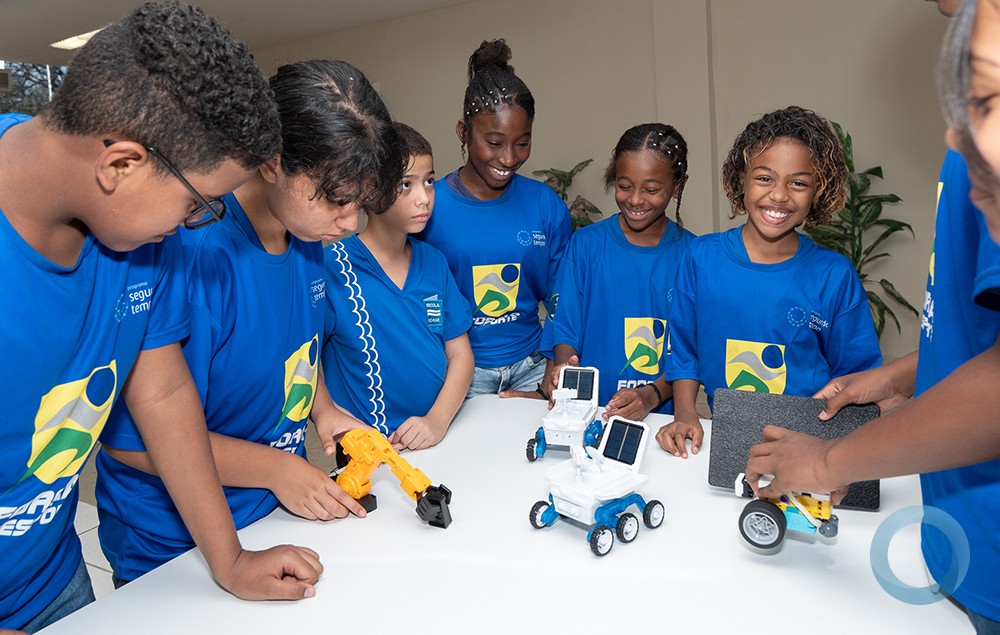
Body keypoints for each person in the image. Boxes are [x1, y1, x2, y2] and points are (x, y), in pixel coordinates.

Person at [0, 2, 325, 632]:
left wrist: (229, 559)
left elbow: (164, 391)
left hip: (50, 578)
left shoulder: (138, 241)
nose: (197, 224)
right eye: (198, 203)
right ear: (120, 165)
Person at [93, 59, 406, 585]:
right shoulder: (192, 252)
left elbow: (292, 344)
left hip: (269, 513)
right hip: (173, 544)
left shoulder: (308, 235)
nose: (350, 222)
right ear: (272, 163)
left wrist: (323, 410)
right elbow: (134, 439)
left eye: (360, 204)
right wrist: (277, 469)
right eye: (336, 200)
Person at [747, 1, 1000, 631]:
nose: (955, 135)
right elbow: (979, 339)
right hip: (958, 537)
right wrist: (899, 376)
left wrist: (826, 463)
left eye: (986, 99)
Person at [656, 106, 882, 458]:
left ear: (818, 191)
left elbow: (857, 375)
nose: (779, 195)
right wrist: (685, 414)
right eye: (764, 178)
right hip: (725, 438)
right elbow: (684, 350)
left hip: (810, 445)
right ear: (741, 179)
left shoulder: (834, 275)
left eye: (798, 183)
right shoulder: (701, 257)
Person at [417, 39, 571, 399]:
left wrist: (552, 372)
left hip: (534, 366)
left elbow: (564, 298)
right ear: (463, 132)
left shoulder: (545, 205)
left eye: (522, 143)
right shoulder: (428, 206)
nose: (509, 158)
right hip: (458, 373)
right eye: (494, 142)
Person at [322, 122, 474, 450]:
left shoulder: (434, 262)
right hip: (371, 451)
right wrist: (331, 420)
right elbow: (303, 363)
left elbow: (460, 353)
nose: (424, 198)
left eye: (429, 181)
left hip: (438, 438)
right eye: (406, 184)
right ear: (370, 189)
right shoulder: (332, 268)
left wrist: (437, 420)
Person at [544, 123, 695, 422]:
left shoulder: (694, 255)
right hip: (589, 412)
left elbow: (690, 352)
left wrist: (650, 395)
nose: (635, 199)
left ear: (678, 185)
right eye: (624, 186)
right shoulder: (585, 245)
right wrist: (564, 367)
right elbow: (565, 327)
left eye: (651, 189)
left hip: (660, 417)